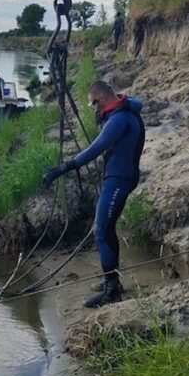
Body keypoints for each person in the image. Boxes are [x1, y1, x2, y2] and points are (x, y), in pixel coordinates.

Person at [42, 81, 145, 308]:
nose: (94, 109)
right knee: (106, 229)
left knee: (101, 230)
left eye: (93, 104)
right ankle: (112, 280)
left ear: (102, 98)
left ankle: (112, 291)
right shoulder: (122, 110)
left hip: (120, 179)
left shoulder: (118, 120)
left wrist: (63, 168)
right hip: (118, 176)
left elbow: (95, 149)